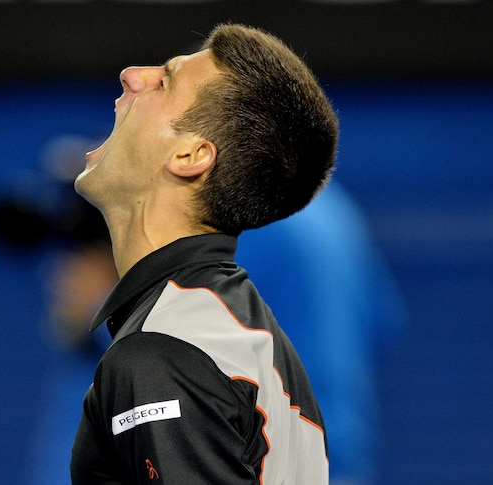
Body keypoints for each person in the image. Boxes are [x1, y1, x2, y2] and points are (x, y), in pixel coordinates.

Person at [70, 22, 339, 485]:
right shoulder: (234, 333)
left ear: (192, 155)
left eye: (166, 80)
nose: (132, 74)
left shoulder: (164, 353)